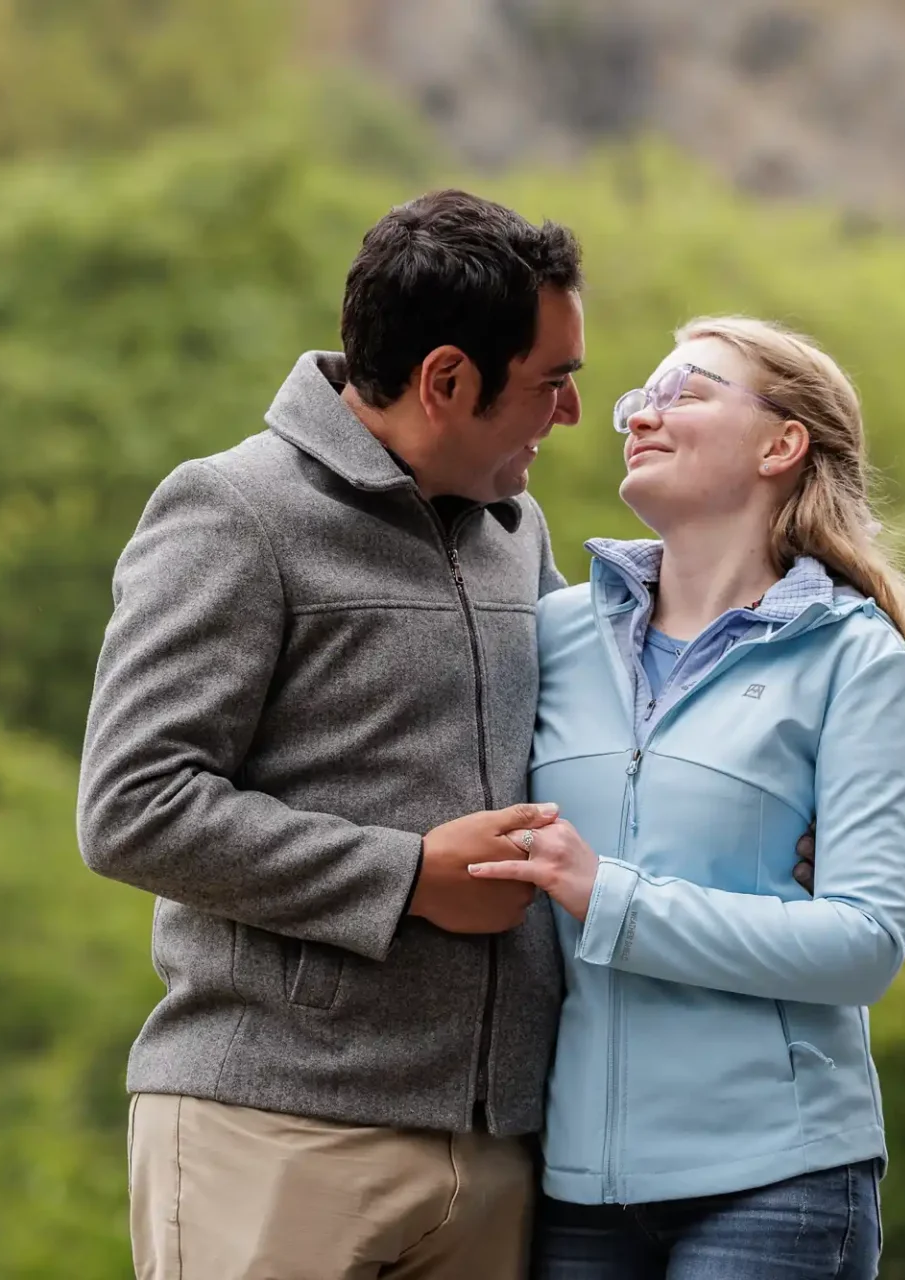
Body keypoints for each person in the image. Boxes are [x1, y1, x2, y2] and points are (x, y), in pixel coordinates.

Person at [76, 189, 588, 1279]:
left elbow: (592, 745)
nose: (572, 414)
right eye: (553, 383)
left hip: (498, 1142)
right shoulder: (232, 510)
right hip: (273, 1126)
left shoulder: (517, 529)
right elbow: (132, 806)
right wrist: (406, 874)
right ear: (448, 380)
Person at [468, 316, 905, 1278]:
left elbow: (862, 944)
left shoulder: (857, 660)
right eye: (637, 400)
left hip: (778, 1180)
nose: (639, 417)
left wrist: (608, 894)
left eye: (685, 393)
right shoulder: (551, 635)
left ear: (782, 444)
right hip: (573, 1186)